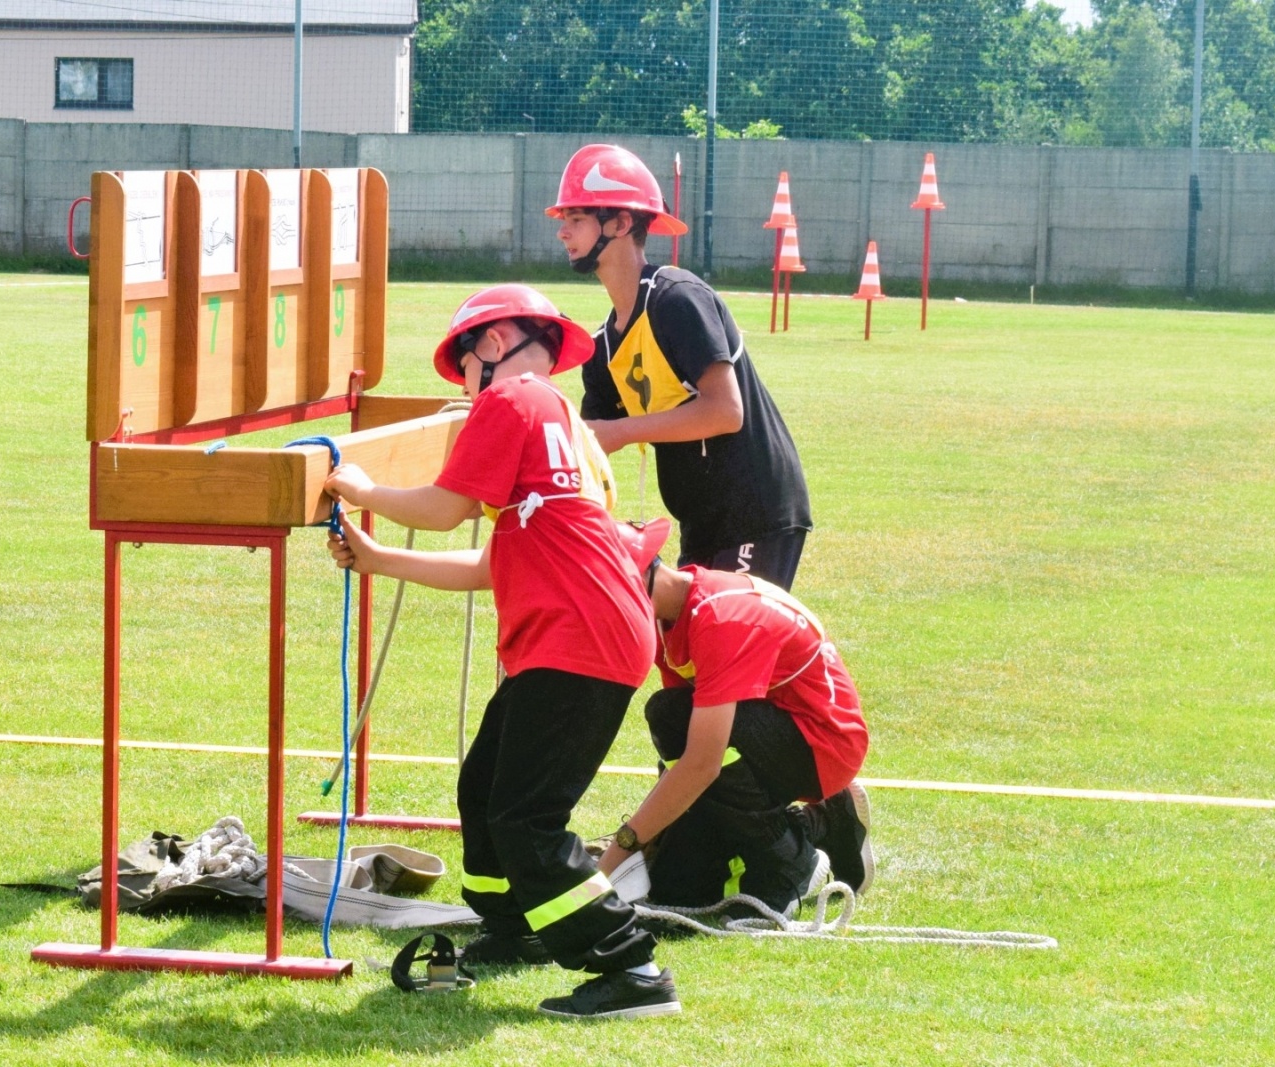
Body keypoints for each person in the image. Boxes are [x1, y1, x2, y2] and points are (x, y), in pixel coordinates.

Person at [323, 284, 679, 1021]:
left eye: (463, 372)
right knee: (485, 789)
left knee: (527, 817)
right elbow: (493, 565)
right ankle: (517, 928)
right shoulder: (558, 422)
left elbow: (446, 508)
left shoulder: (514, 399)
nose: (465, 391)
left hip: (579, 638)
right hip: (581, 635)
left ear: (490, 346)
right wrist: (378, 557)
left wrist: (363, 487)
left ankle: (630, 966)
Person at [550, 143, 812, 590]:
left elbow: (725, 412)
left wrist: (623, 431)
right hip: (702, 521)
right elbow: (592, 444)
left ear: (621, 222)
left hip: (756, 512)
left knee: (729, 651)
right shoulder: (602, 348)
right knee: (691, 654)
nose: (563, 232)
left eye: (576, 219)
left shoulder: (677, 298)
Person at [596, 519, 874, 918]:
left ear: (634, 582)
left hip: (823, 744)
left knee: (670, 714)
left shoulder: (722, 619)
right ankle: (824, 825)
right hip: (775, 733)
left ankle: (794, 859)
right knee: (680, 888)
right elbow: (688, 749)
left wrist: (620, 849)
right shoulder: (668, 620)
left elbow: (702, 763)